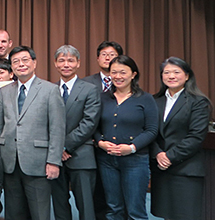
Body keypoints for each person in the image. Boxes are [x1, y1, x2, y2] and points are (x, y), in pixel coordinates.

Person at [0, 46, 65, 220]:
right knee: (14, 214)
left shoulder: (50, 90)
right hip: (9, 162)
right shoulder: (4, 91)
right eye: (16, 61)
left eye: (25, 60)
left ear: (34, 63)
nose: (21, 64)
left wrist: (53, 161)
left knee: (40, 214)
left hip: (38, 164)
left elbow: (57, 129)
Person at [93, 55, 158, 220]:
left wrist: (131, 147)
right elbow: (93, 126)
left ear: (133, 74)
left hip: (135, 161)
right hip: (106, 160)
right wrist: (100, 142)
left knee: (135, 210)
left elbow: (151, 130)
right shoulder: (102, 98)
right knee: (113, 209)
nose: (118, 76)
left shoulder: (145, 99)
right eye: (114, 72)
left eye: (123, 72)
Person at [150, 57, 211, 220]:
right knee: (165, 215)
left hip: (186, 170)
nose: (171, 76)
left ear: (187, 76)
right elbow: (149, 131)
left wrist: (169, 156)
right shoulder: (154, 101)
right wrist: (158, 154)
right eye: (166, 72)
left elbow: (196, 136)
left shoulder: (198, 102)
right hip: (161, 170)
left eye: (176, 72)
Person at [49, 45, 102, 220]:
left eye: (71, 60)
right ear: (55, 64)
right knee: (59, 206)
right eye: (62, 60)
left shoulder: (90, 89)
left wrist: (65, 146)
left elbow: (89, 123)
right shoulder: (49, 90)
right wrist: (57, 150)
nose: (66, 64)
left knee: (86, 206)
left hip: (81, 156)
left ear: (78, 63)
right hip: (55, 159)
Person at [82, 40, 124, 220]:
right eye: (104, 55)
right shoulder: (85, 83)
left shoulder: (126, 82)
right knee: (96, 191)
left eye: (112, 55)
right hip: (91, 146)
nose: (108, 58)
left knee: (119, 193)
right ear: (98, 58)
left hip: (119, 146)